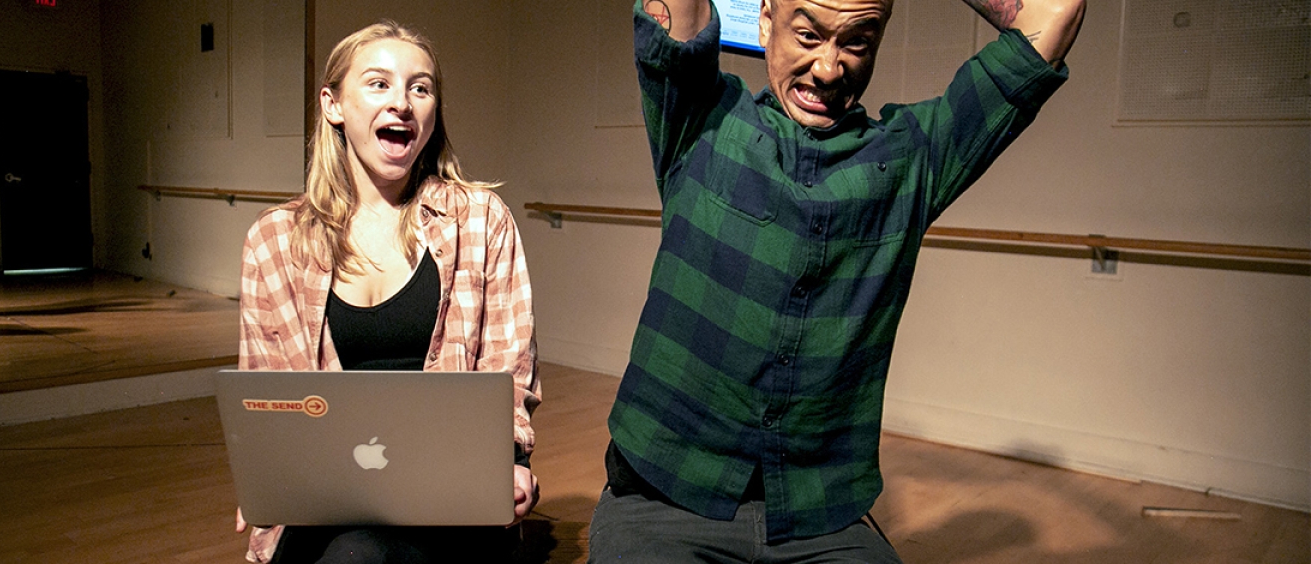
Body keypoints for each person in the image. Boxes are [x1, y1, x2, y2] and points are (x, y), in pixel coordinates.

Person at [588, 0, 1085, 562]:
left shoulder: (911, 158)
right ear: (766, 18)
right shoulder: (702, 118)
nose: (828, 69)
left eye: (856, 42)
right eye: (807, 34)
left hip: (820, 521)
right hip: (663, 501)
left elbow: (1057, 11)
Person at [235, 21, 540, 564]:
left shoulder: (481, 222)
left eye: (420, 88)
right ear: (333, 105)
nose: (402, 102)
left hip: (448, 500)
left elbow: (509, 373)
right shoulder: (274, 240)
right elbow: (266, 395)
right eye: (378, 84)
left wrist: (513, 461)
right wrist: (267, 471)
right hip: (324, 500)